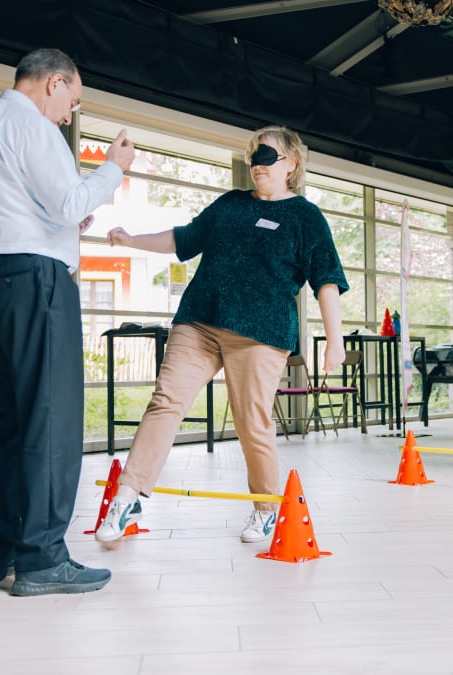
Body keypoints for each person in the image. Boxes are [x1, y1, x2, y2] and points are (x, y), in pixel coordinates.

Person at [95, 125, 348, 544]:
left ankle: (266, 509)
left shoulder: (306, 217)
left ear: (291, 164)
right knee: (165, 401)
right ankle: (127, 495)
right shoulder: (230, 204)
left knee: (252, 421)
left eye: (265, 157)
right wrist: (131, 239)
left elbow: (327, 280)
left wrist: (334, 341)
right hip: (199, 320)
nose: (256, 166)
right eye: (252, 158)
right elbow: (184, 239)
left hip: (260, 333)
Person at [0, 48, 136, 595]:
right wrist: (113, 169)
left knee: (4, 420)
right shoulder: (31, 124)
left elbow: (15, 205)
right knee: (50, 417)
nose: (68, 113)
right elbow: (68, 202)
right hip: (35, 282)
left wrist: (64, 219)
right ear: (54, 83)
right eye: (72, 101)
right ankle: (42, 558)